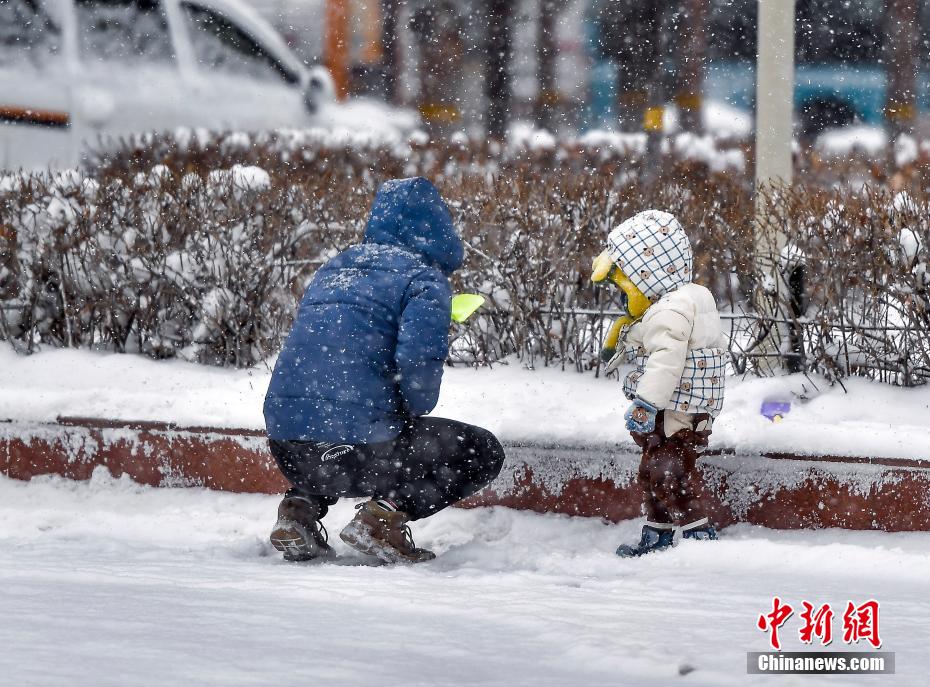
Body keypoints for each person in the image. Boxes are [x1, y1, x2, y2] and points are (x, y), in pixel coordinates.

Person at [263, 177, 505, 564]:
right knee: (481, 451)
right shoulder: (423, 279)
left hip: (290, 448)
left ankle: (299, 509)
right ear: (437, 229)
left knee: (329, 422)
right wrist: (410, 406)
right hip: (365, 452)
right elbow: (418, 370)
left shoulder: (334, 268)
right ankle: (382, 518)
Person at [591, 210, 726, 557]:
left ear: (646, 279)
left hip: (676, 412)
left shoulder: (672, 309)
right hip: (676, 409)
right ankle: (658, 533)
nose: (622, 299)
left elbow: (667, 361)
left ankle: (700, 537)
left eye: (625, 288)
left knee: (669, 474)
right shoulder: (678, 303)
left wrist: (646, 403)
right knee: (654, 473)